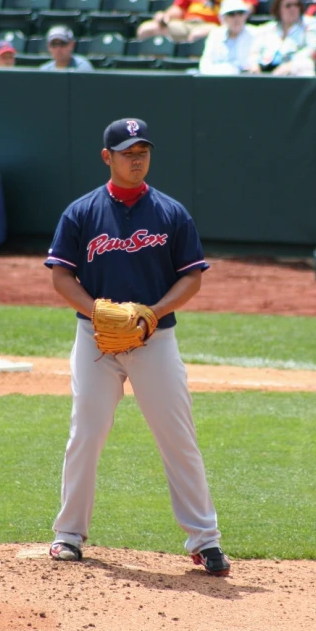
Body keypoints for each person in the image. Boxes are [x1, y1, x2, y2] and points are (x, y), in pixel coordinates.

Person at [44, 117, 231, 577]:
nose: (137, 158)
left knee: (178, 437)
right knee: (85, 434)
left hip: (156, 340)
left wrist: (151, 312)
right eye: (127, 152)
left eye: (142, 150)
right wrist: (95, 312)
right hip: (95, 343)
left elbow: (191, 277)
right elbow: (60, 275)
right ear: (108, 157)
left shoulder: (170, 213)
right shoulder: (82, 212)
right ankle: (68, 535)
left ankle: (205, 541)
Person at [248, 0, 316, 75]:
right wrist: (254, 64)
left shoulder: (310, 24)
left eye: (296, 5)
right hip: (267, 71)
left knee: (306, 65)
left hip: (294, 71)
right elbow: (254, 51)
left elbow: (313, 49)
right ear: (279, 9)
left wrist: (291, 65)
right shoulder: (268, 28)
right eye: (288, 6)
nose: (293, 9)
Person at [199, 0, 257, 73]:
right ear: (224, 18)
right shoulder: (215, 35)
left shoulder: (255, 34)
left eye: (240, 13)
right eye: (231, 14)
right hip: (217, 81)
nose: (236, 18)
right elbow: (205, 64)